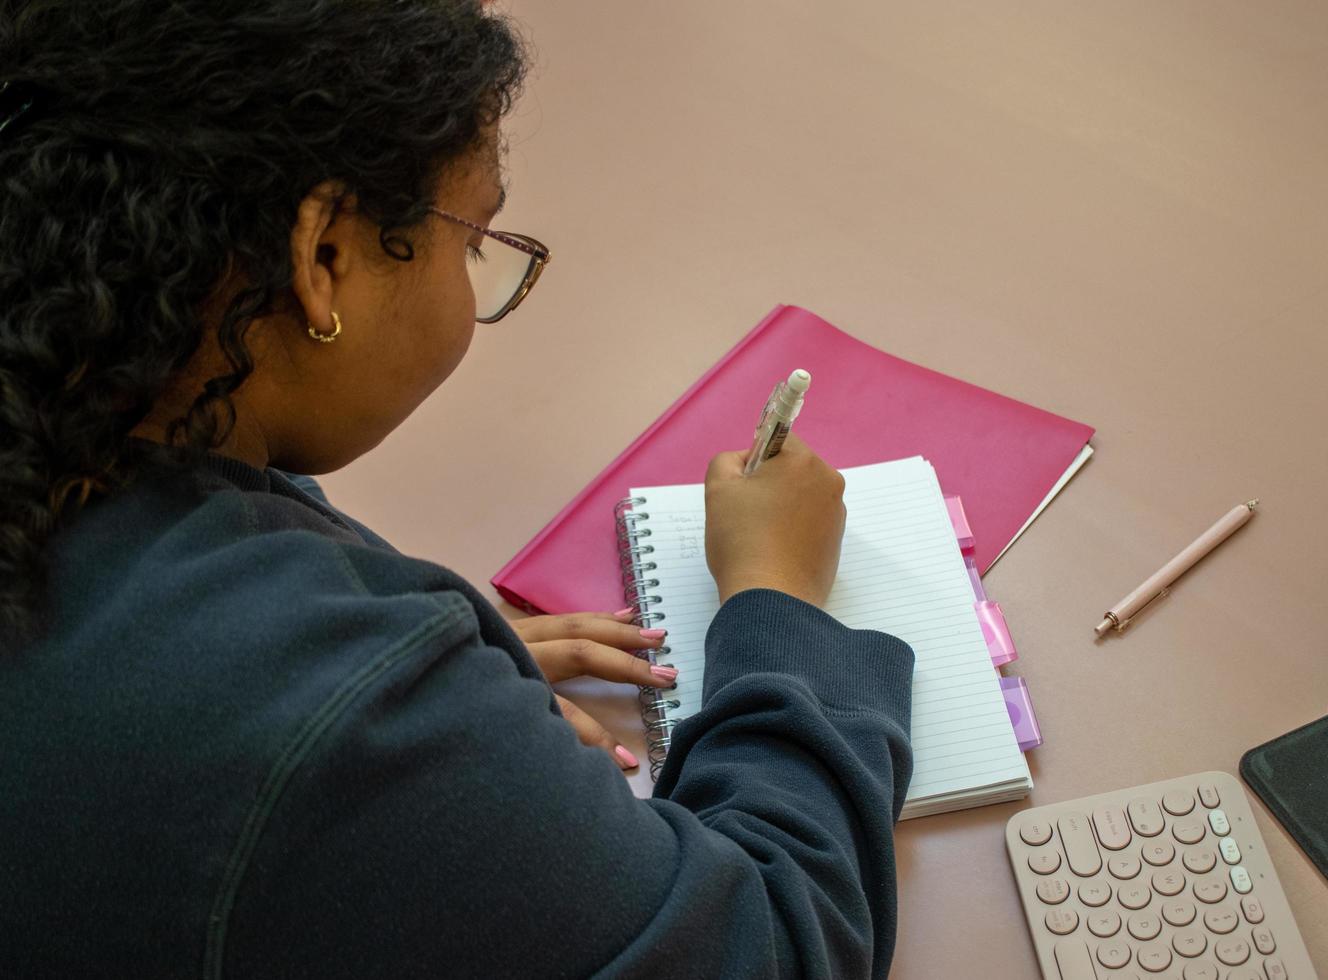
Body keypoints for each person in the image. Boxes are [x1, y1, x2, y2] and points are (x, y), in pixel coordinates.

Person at [0, 2, 915, 977]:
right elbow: (775, 943)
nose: (476, 280)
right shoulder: (324, 708)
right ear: (322, 257)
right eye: (475, 240)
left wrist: (423, 701)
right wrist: (775, 603)